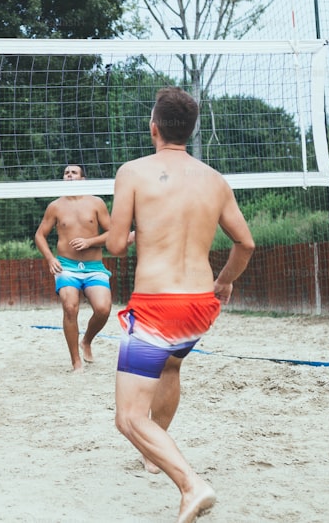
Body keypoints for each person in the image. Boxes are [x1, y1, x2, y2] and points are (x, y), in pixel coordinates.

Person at [106, 86, 255, 523]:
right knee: (170, 367)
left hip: (158, 306)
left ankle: (191, 484)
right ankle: (158, 452)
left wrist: (133, 231)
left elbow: (115, 246)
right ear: (190, 130)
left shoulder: (133, 171)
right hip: (199, 306)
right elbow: (246, 243)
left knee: (129, 419)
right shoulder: (215, 179)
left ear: (153, 127)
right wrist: (224, 283)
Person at [33, 163, 123, 371]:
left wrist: (89, 242)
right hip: (66, 266)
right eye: (66, 173)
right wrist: (49, 258)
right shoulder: (55, 206)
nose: (69, 175)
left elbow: (113, 233)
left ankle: (87, 341)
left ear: (83, 179)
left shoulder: (96, 202)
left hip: (93, 266)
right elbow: (40, 235)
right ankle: (76, 361)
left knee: (103, 309)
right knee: (70, 307)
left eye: (74, 172)